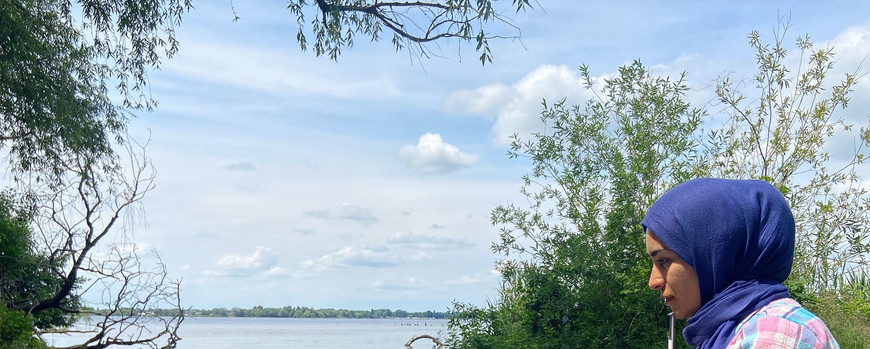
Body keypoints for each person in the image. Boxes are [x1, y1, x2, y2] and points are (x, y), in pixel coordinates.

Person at [641, 178, 839, 349]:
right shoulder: (731, 331)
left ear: (714, 254)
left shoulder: (774, 333)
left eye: (664, 261)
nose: (653, 281)